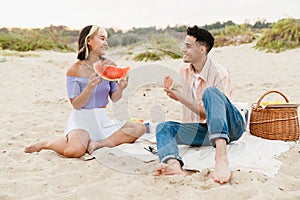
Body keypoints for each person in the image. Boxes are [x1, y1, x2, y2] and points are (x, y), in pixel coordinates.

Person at [24, 25, 145, 158]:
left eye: (106, 39)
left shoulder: (110, 66)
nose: (106, 43)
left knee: (139, 128)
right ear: (89, 40)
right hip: (82, 119)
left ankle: (98, 143)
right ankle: (47, 143)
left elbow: (115, 98)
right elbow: (76, 105)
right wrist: (89, 88)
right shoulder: (74, 70)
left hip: (102, 119)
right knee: (75, 151)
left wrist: (121, 89)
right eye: (102, 38)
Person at [155, 25, 246, 184]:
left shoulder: (220, 73)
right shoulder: (184, 70)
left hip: (230, 127)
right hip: (204, 130)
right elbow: (190, 102)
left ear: (202, 49)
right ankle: (174, 164)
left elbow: (215, 114)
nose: (183, 49)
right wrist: (173, 94)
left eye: (188, 46)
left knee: (210, 92)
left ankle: (221, 157)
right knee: (163, 127)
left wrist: (182, 98)